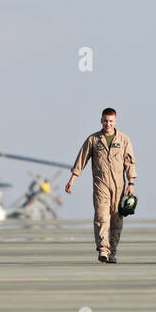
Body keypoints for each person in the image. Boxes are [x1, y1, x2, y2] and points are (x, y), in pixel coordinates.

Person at [65, 108, 137, 263]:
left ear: (115, 121)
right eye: (105, 121)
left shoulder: (124, 140)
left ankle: (112, 252)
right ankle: (103, 250)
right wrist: (72, 180)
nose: (108, 124)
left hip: (119, 187)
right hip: (101, 186)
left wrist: (131, 183)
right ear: (101, 121)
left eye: (111, 121)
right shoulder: (93, 140)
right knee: (102, 217)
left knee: (116, 221)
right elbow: (81, 160)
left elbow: (130, 163)